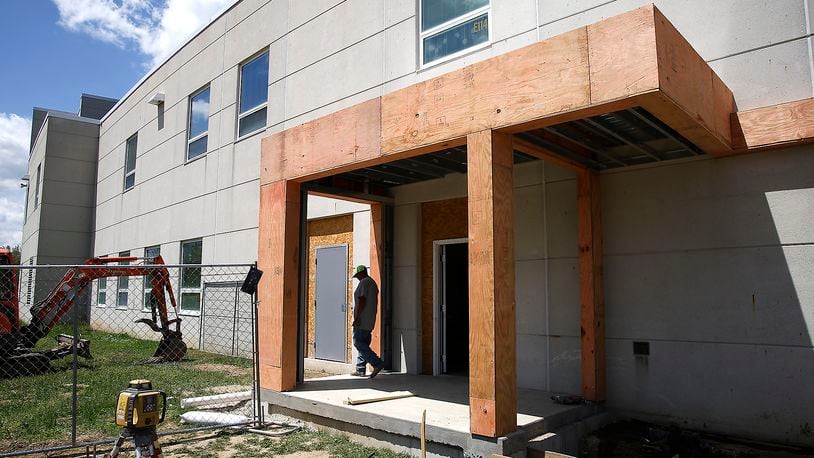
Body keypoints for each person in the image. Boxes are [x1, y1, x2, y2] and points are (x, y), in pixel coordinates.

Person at [350, 265, 383, 378]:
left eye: (358, 276)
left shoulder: (364, 282)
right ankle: (360, 368)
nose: (357, 278)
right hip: (370, 320)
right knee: (364, 343)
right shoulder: (372, 283)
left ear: (361, 274)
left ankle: (377, 363)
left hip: (363, 320)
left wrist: (357, 318)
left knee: (358, 342)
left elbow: (362, 300)